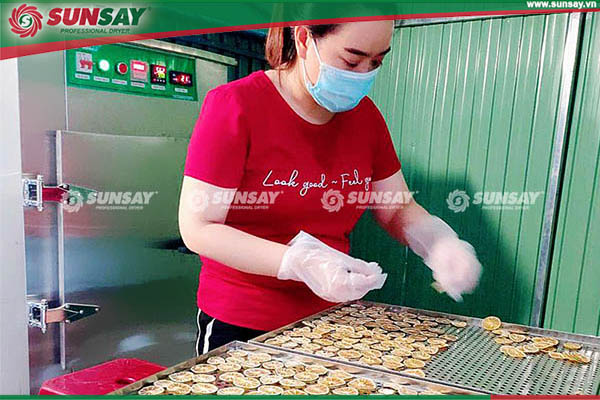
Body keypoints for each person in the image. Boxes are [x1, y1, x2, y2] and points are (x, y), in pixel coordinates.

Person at [178, 21, 482, 356]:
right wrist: (297, 261)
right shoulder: (235, 105)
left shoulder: (366, 119)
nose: (363, 75)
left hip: (334, 322)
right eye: (352, 61)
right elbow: (199, 227)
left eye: (376, 62)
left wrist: (438, 243)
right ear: (305, 38)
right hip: (243, 322)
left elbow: (396, 207)